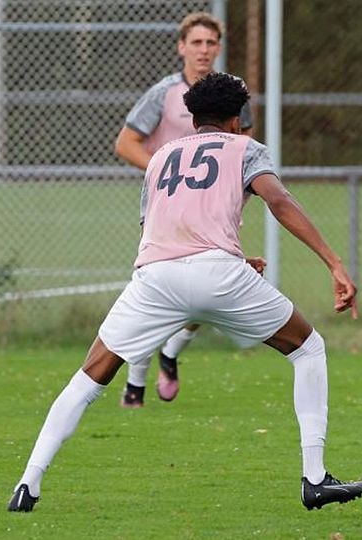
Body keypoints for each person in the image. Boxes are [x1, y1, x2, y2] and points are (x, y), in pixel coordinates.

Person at [8, 73, 362, 512]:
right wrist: (333, 262)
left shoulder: (160, 157)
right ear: (236, 120)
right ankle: (315, 478)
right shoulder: (246, 149)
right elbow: (279, 200)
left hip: (157, 277)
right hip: (219, 275)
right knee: (308, 349)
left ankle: (28, 483)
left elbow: (156, 230)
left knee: (89, 376)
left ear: (194, 117)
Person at [114, 12, 254, 407]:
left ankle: (171, 354)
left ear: (219, 48)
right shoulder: (164, 93)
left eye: (211, 43)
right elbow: (125, 143)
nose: (204, 50)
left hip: (212, 216)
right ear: (181, 47)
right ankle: (136, 384)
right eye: (196, 42)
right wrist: (166, 173)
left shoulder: (232, 95)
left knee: (201, 300)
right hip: (166, 214)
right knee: (151, 291)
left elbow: (242, 152)